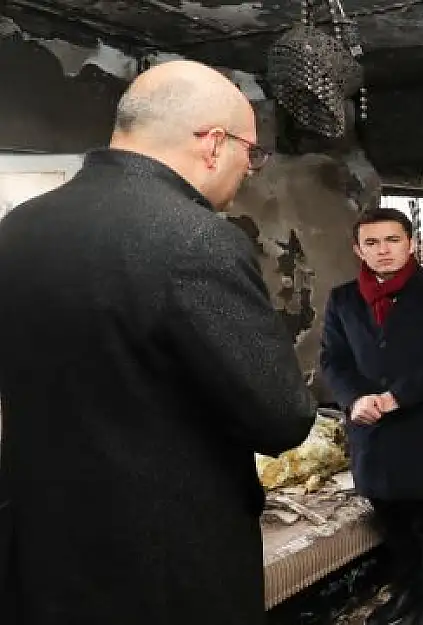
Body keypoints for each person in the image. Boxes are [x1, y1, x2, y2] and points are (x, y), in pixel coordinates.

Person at [0, 60, 316, 625]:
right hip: (164, 569)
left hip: (45, 548)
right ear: (214, 144)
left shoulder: (19, 227)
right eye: (252, 153)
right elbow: (282, 417)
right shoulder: (197, 239)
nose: (250, 170)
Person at [320, 208, 423, 625]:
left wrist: (397, 396)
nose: (383, 250)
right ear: (357, 249)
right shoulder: (343, 298)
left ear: (411, 243)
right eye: (371, 243)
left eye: (392, 240)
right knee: (392, 520)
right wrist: (355, 399)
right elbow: (333, 361)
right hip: (370, 431)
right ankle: (406, 593)